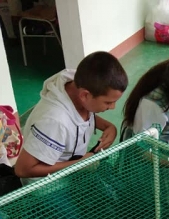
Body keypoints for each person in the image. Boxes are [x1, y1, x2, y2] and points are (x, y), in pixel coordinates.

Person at [15, 51, 128, 185]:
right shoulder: (54, 122)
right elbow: (23, 169)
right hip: (46, 186)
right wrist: (79, 164)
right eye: (108, 102)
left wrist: (109, 127)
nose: (113, 107)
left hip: (72, 168)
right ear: (85, 95)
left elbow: (79, 116)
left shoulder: (78, 84)